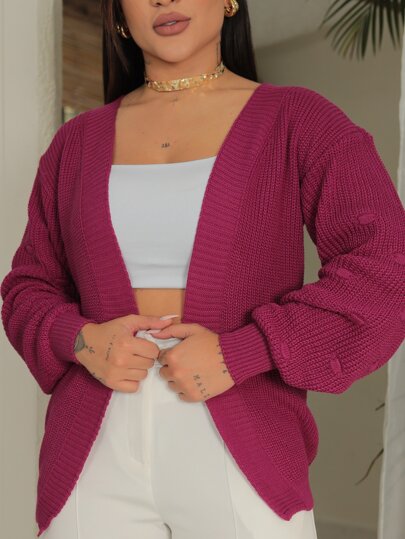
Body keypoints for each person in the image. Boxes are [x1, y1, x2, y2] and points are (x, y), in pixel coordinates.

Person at [2, 0, 404, 538]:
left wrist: (246, 351)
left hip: (243, 437)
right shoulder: (74, 144)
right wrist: (80, 340)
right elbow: (28, 286)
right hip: (93, 447)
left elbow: (386, 265)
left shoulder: (299, 119)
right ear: (119, 15)